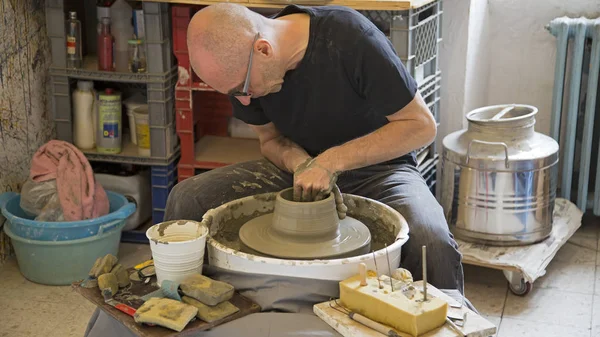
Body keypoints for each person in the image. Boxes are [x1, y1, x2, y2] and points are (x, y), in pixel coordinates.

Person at [168, 3, 466, 303]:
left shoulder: (351, 38)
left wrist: (330, 162)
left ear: (263, 49)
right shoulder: (242, 75)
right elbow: (270, 139)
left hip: (382, 170)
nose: (243, 101)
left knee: (431, 241)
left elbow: (421, 126)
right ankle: (182, 310)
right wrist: (301, 163)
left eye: (241, 89)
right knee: (186, 200)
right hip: (298, 169)